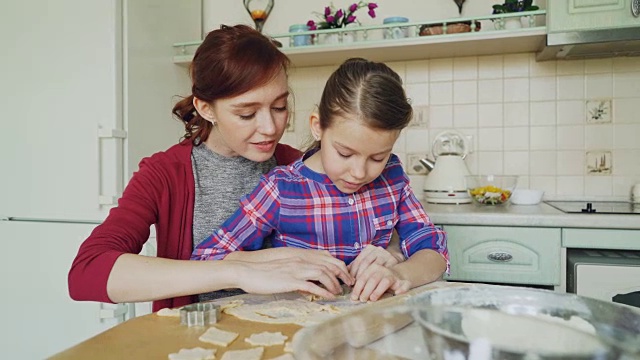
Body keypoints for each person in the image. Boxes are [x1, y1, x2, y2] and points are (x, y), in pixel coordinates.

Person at [68, 25, 360, 312]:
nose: (270, 127)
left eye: (280, 107)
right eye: (247, 114)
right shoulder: (165, 174)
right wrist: (235, 271)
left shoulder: (300, 165)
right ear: (206, 109)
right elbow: (87, 272)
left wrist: (388, 256)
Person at [192, 58, 449, 302]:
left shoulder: (392, 176)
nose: (359, 172)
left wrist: (400, 273)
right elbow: (208, 258)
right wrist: (285, 260)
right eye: (345, 153)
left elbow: (434, 252)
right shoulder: (282, 188)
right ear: (317, 126)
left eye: (377, 157)